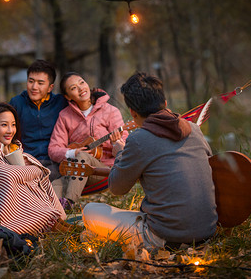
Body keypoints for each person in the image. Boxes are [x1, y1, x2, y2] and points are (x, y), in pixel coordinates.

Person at [82, 72, 218, 251]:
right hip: (208, 230)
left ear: (133, 112)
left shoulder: (139, 138)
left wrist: (120, 152)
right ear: (166, 103)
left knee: (90, 211)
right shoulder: (194, 129)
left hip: (165, 237)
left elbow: (117, 188)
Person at [0, 102, 72, 235]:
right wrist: (38, 170)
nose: (11, 130)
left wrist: (26, 164)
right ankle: (44, 222)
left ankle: (53, 221)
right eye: (4, 125)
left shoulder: (8, 150)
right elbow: (7, 176)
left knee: (25, 182)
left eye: (13, 124)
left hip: (3, 206)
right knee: (16, 179)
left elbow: (19, 173)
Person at [48, 72, 128, 209]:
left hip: (105, 171)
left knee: (82, 157)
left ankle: (70, 202)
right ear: (68, 97)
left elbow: (125, 144)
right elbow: (53, 149)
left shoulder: (110, 111)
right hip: (78, 173)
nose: (80, 88)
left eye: (81, 82)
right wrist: (73, 152)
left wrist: (115, 142)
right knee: (56, 184)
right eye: (73, 88)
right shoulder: (65, 116)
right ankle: (52, 219)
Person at [9, 59, 67, 181]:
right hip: (27, 161)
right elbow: (5, 133)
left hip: (55, 162)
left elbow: (83, 107)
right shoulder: (17, 103)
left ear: (50, 87)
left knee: (54, 176)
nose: (34, 87)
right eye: (31, 81)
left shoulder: (61, 103)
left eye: (40, 83)